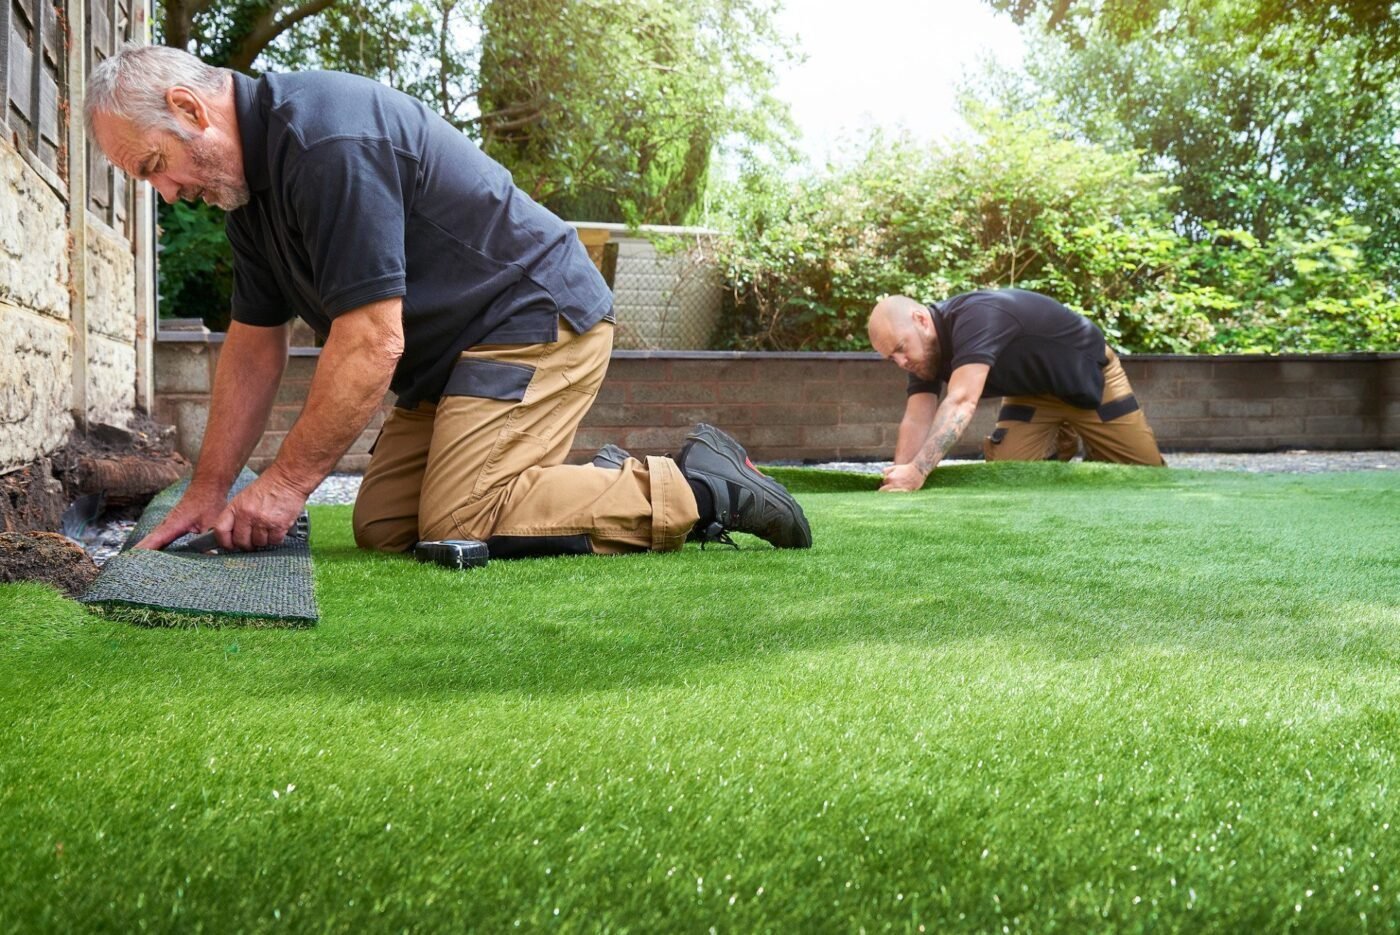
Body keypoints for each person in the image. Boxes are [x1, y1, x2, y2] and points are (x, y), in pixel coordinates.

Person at [85, 45, 810, 556]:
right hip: (454, 360)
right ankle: (589, 483)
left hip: (534, 316)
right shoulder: (249, 200)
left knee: (459, 515)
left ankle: (701, 487)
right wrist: (208, 490)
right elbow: (252, 344)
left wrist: (282, 487)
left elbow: (372, 342)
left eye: (156, 166)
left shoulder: (325, 140)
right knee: (387, 522)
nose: (170, 192)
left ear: (190, 107)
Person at [867, 290, 1165, 492]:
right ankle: (1062, 440)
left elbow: (961, 401)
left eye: (900, 349)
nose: (900, 362)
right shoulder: (921, 357)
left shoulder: (975, 317)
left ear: (921, 320)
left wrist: (919, 471)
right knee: (1007, 475)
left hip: (1089, 379)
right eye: (891, 357)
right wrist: (899, 476)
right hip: (1031, 394)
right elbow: (918, 416)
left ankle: (1073, 432)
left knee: (1148, 476)